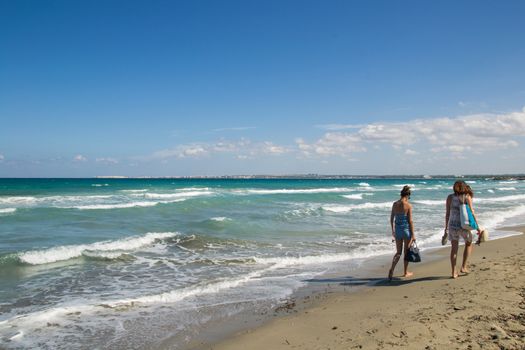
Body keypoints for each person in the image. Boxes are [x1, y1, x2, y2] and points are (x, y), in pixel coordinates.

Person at [442, 181, 481, 279]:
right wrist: (478, 226)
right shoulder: (466, 197)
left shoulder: (450, 197)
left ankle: (453, 272)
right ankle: (463, 266)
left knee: (454, 249)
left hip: (452, 226)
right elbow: (472, 212)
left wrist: (446, 228)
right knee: (468, 243)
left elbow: (447, 214)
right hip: (464, 226)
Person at [388, 185, 416, 280]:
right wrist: (413, 235)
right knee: (406, 252)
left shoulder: (395, 204)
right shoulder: (408, 205)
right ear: (407, 195)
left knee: (398, 252)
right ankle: (405, 272)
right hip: (406, 231)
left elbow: (391, 219)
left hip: (398, 232)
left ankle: (392, 269)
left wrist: (393, 231)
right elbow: (410, 221)